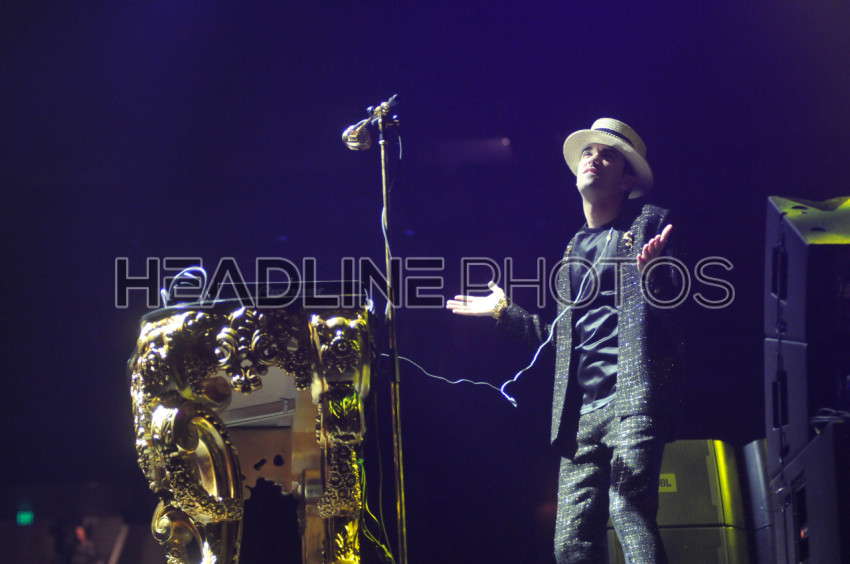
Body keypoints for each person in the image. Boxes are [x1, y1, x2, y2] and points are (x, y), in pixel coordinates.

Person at [447, 118, 681, 564]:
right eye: (589, 152)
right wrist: (503, 312)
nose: (594, 158)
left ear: (627, 180)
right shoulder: (573, 249)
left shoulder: (649, 223)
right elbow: (560, 340)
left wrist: (654, 277)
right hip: (580, 414)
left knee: (629, 511)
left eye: (608, 155)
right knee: (571, 544)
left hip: (632, 399)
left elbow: (676, 312)